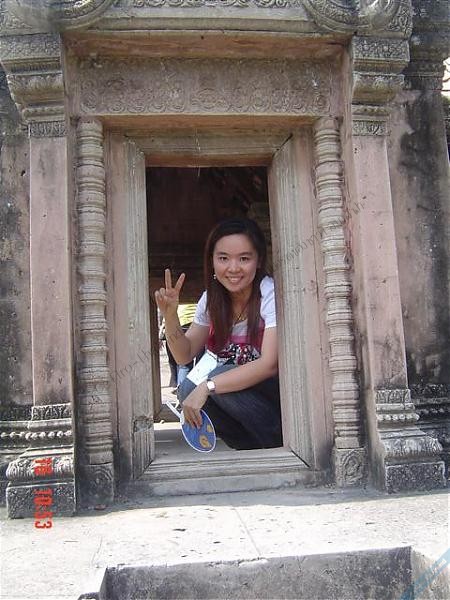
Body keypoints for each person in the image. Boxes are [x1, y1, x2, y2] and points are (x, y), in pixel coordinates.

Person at [154, 217, 282, 450]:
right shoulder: (211, 300)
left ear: (258, 260)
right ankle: (248, 447)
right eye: (223, 258)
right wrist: (170, 316)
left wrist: (208, 386)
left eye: (244, 258)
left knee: (214, 378)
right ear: (212, 261)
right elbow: (184, 355)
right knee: (187, 389)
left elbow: (269, 365)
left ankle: (276, 441)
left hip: (275, 396)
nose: (233, 268)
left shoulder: (268, 293)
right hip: (242, 396)